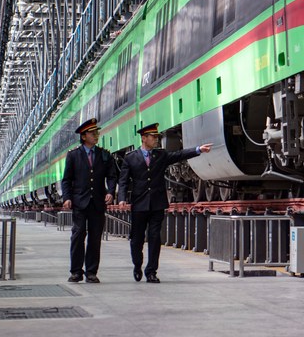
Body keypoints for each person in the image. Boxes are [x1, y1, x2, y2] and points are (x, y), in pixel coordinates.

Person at [118, 123, 212, 283]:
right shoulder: (131, 158)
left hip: (157, 203)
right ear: (144, 138)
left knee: (155, 237)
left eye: (157, 136)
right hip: (139, 204)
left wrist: (198, 150)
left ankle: (151, 271)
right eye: (153, 137)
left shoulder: (160, 155)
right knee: (137, 239)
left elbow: (178, 155)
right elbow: (123, 181)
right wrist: (121, 198)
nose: (156, 139)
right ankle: (137, 265)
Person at [60, 117, 118, 283]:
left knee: (95, 238)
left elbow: (112, 176)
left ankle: (91, 272)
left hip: (97, 203)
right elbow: (67, 180)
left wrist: (111, 191)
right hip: (80, 202)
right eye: (93, 133)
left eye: (97, 133)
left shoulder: (104, 155)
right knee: (78, 235)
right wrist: (67, 198)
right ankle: (76, 272)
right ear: (84, 136)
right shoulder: (73, 155)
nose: (96, 135)